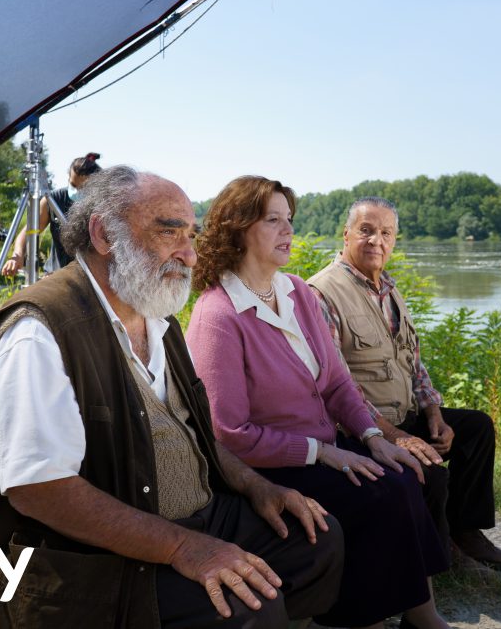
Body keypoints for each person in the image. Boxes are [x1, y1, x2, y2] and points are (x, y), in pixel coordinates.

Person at [0, 166, 342, 629]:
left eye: (192, 234)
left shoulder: (157, 317)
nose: (189, 254)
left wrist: (257, 486)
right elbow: (38, 490)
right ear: (104, 235)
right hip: (93, 557)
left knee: (314, 542)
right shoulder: (38, 332)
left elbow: (196, 435)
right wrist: (183, 547)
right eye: (169, 233)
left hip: (198, 517)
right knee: (248, 609)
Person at [186, 176, 451, 629]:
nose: (288, 230)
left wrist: (371, 437)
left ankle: (420, 613)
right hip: (269, 465)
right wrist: (323, 452)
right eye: (273, 220)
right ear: (238, 228)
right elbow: (229, 433)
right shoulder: (219, 315)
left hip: (322, 448)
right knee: (379, 497)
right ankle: (354, 618)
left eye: (289, 219)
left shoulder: (297, 293)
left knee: (403, 473)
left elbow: (336, 383)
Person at [307, 197, 501, 573]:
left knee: (475, 429)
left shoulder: (390, 291)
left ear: (394, 241)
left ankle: (465, 533)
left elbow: (414, 363)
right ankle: (435, 560)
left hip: (405, 414)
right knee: (430, 471)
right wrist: (394, 437)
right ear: (345, 235)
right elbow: (336, 385)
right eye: (366, 230)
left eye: (386, 233)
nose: (376, 240)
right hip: (361, 430)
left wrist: (433, 413)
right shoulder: (321, 293)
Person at [0, 152, 102, 277]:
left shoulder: (102, 205)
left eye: (83, 188)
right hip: (56, 273)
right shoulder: (53, 200)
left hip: (89, 276)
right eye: (73, 185)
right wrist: (18, 255)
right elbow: (29, 231)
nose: (76, 191)